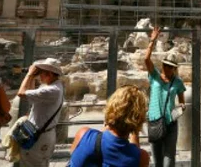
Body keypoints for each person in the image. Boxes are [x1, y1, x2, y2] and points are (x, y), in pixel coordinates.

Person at [69, 85, 151, 167]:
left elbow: (74, 157)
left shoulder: (84, 135)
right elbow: (135, 155)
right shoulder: (141, 157)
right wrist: (135, 129)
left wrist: (109, 121)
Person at [144, 27, 186, 167]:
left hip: (170, 123)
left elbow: (181, 101)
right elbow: (146, 58)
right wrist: (152, 40)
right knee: (157, 162)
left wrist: (181, 108)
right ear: (162, 65)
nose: (168, 68)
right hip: (154, 121)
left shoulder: (178, 82)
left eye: (171, 67)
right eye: (166, 65)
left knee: (169, 161)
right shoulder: (154, 76)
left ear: (174, 68)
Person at [16, 58, 64, 167]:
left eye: (42, 72)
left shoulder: (51, 90)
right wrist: (32, 77)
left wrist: (29, 75)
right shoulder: (55, 86)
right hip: (43, 135)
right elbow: (31, 93)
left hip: (39, 137)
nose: (40, 75)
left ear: (50, 74)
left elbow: (21, 93)